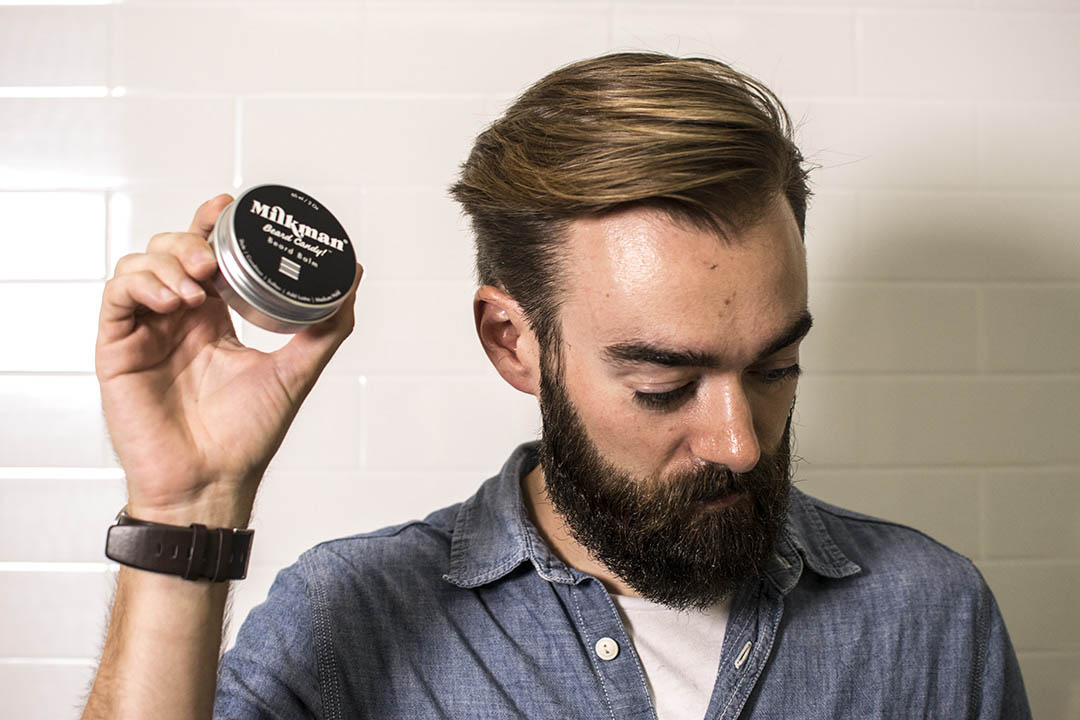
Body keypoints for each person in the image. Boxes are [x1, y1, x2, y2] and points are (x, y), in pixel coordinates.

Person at [82, 52, 1031, 720]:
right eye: (665, 385)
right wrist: (189, 501)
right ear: (512, 343)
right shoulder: (351, 617)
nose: (741, 442)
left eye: (775, 367)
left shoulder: (929, 615)